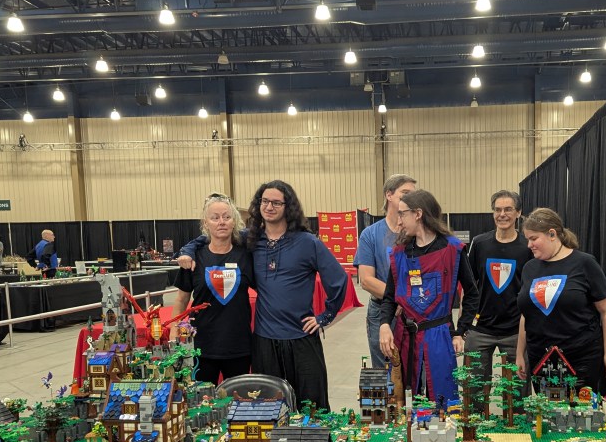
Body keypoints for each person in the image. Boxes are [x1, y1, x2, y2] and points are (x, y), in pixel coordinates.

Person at [182, 181, 347, 411]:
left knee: (312, 406)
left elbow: (339, 279)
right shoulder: (251, 240)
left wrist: (325, 316)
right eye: (265, 201)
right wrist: (187, 250)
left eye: (276, 202)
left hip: (301, 337)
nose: (269, 207)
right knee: (268, 408)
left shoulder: (307, 242)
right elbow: (212, 236)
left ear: (288, 206)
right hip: (265, 341)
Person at [378, 189, 479, 406]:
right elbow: (389, 298)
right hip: (405, 335)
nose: (399, 220)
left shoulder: (453, 250)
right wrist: (385, 324)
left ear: (418, 214)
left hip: (439, 334)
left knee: (443, 397)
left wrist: (460, 332)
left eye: (402, 213)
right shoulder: (400, 254)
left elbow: (472, 293)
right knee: (404, 399)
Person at [515, 208, 606, 395]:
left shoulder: (584, 263)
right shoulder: (530, 268)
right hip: (541, 357)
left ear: (552, 234)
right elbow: (526, 315)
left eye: (534, 238)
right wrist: (520, 354)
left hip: (581, 356)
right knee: (546, 411)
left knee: (581, 411)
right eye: (527, 239)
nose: (529, 245)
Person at [172, 194, 253, 385]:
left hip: (239, 347)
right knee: (202, 400)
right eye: (215, 218)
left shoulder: (247, 256)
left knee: (236, 400)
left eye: (227, 217)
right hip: (202, 347)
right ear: (205, 223)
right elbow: (181, 300)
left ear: (234, 222)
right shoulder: (193, 259)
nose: (221, 222)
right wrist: (174, 330)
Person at [465, 190, 533, 404]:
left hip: (515, 332)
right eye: (498, 209)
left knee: (517, 398)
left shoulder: (527, 246)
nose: (502, 214)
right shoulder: (480, 243)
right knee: (473, 394)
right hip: (480, 330)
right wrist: (465, 324)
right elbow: (468, 286)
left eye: (508, 209)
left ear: (518, 213)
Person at [354, 174, 417, 367]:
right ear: (389, 195)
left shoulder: (418, 233)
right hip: (382, 311)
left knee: (417, 368)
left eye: (414, 194)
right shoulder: (370, 234)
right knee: (384, 369)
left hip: (416, 310)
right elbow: (366, 280)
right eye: (405, 193)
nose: (411, 198)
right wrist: (397, 300)